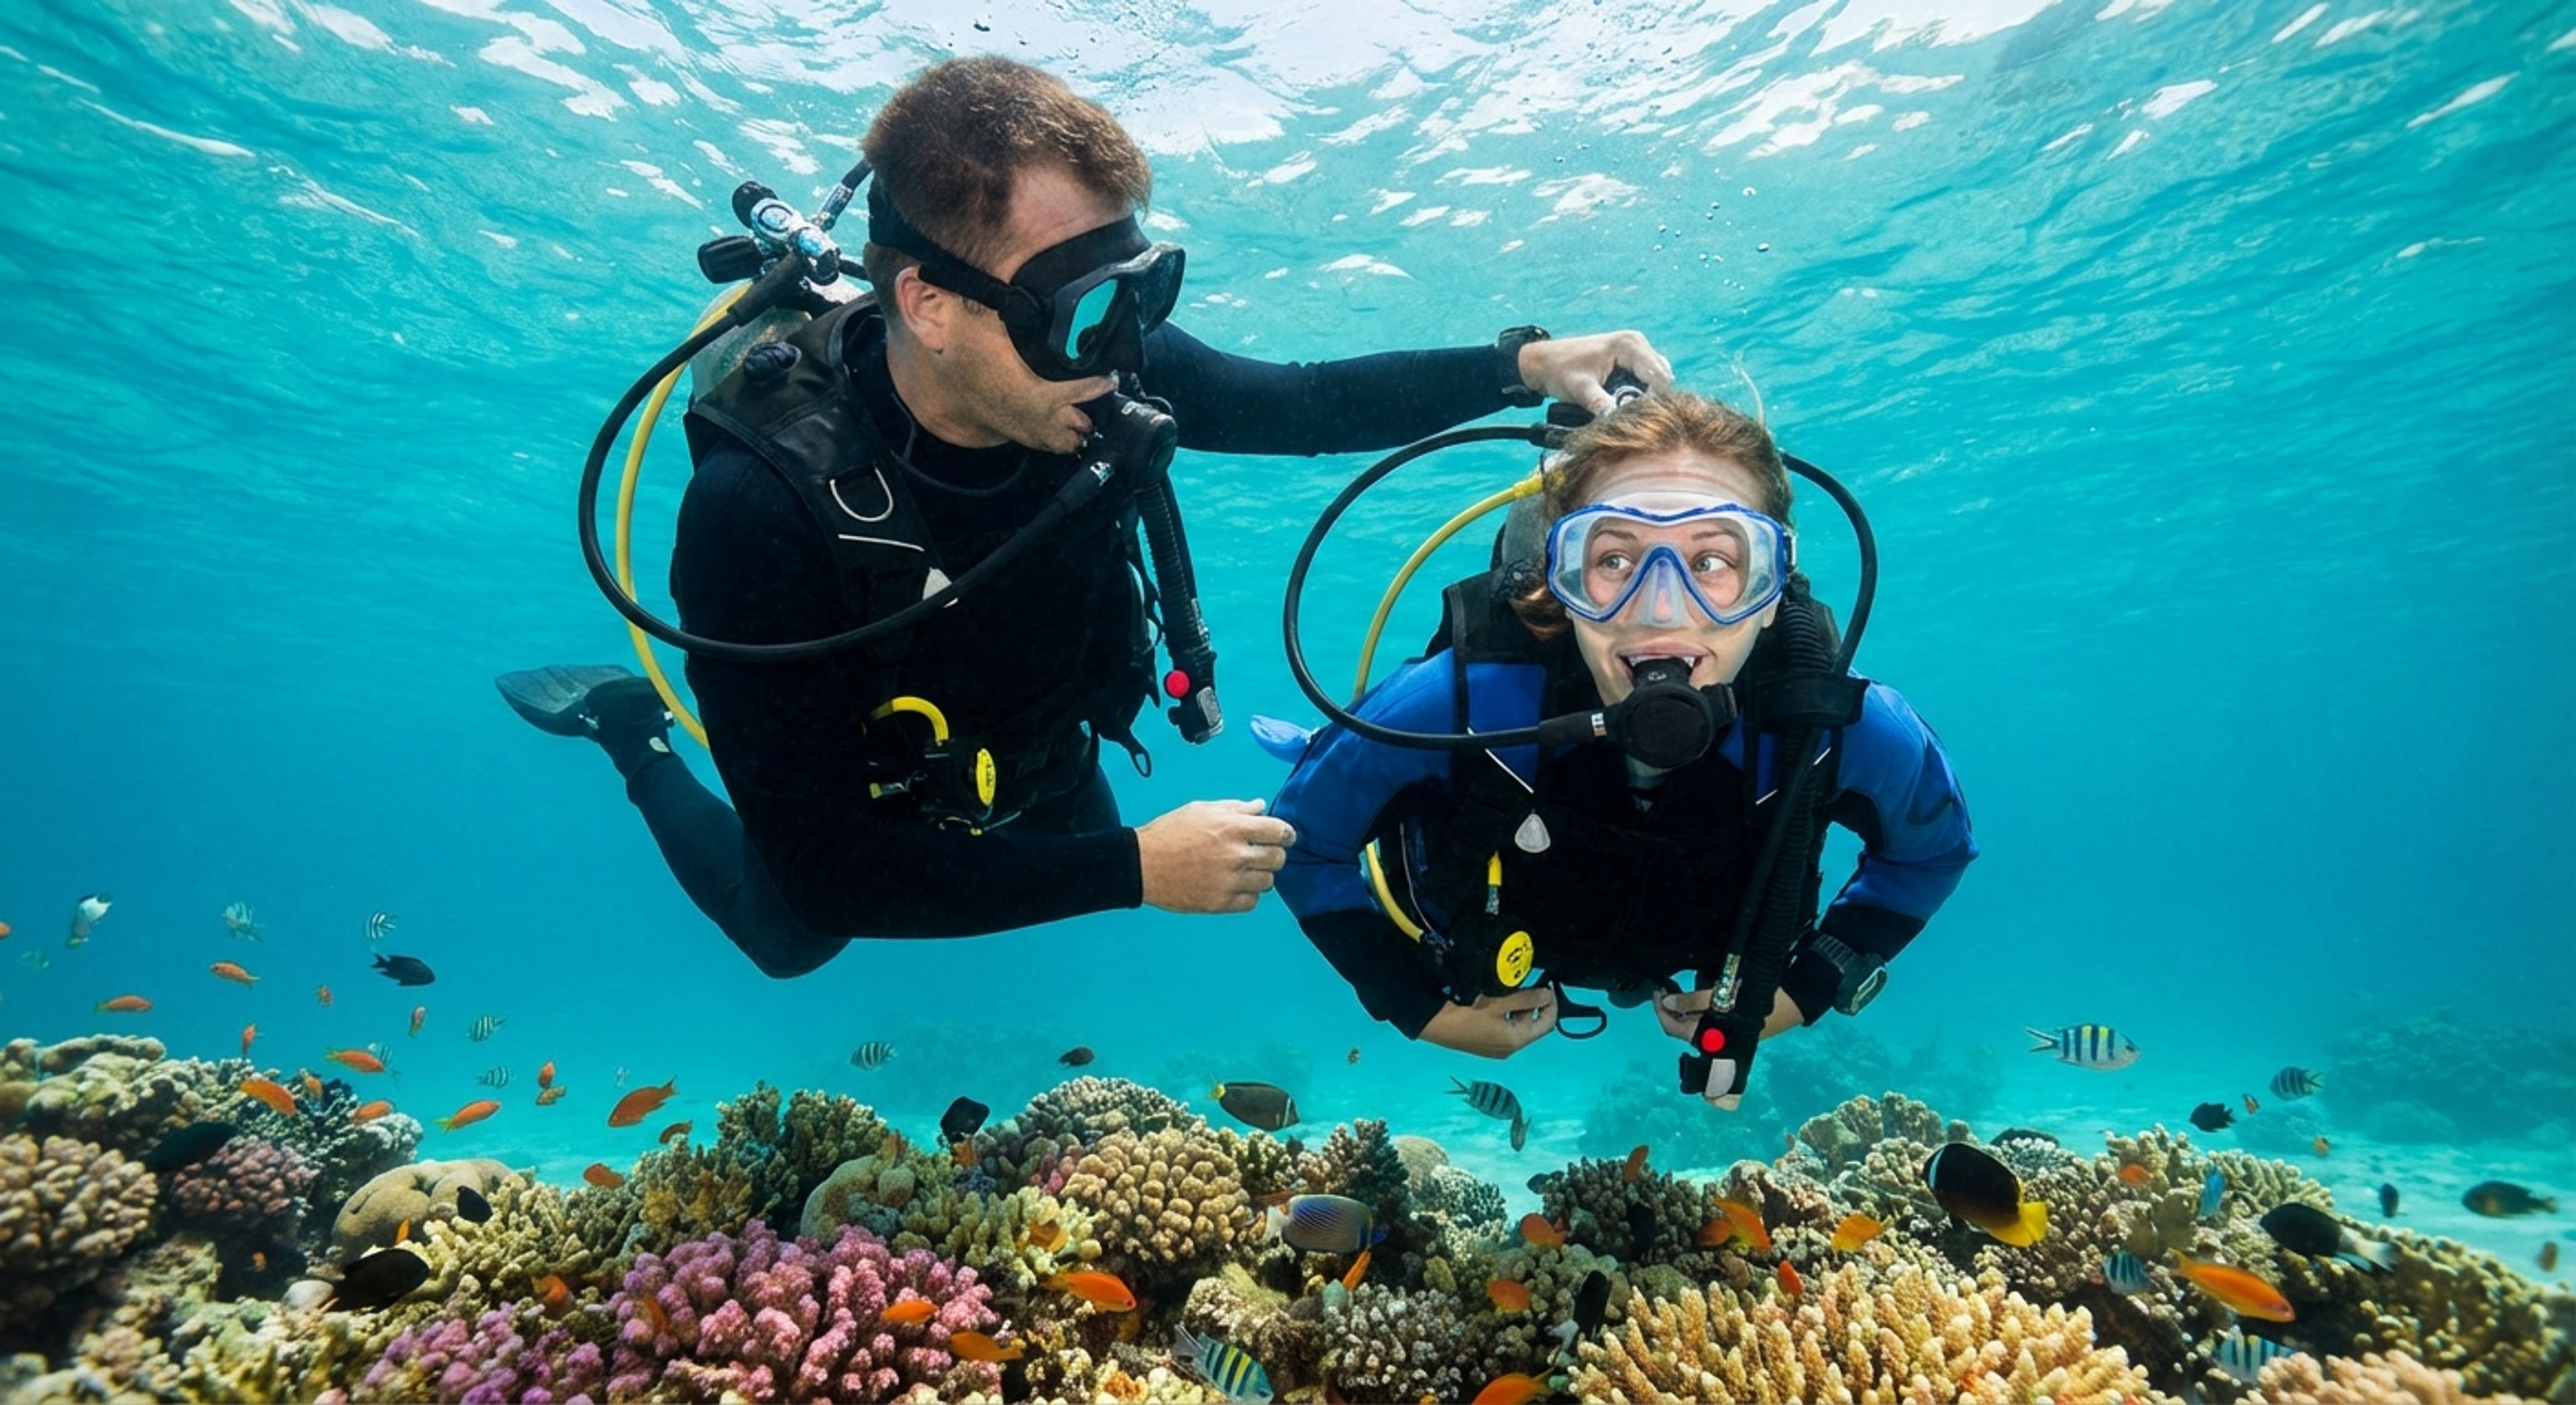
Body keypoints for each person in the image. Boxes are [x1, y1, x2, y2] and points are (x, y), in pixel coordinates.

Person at [497, 56, 1670, 977]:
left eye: (1141, 291)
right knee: (789, 943)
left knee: (1057, 840)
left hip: (1044, 730)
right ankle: (626, 732)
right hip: (889, 781)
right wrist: (1132, 870)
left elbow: (1304, 401)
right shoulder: (759, 512)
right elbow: (826, 874)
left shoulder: (1105, 363)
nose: (1122, 354)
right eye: (1082, 312)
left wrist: (1523, 362)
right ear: (931, 304)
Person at [1269, 391, 1974, 1083]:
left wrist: (1803, 988)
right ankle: (1316, 748)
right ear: (1560, 579)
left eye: (1713, 562)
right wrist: (1414, 1005)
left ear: (1771, 592)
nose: (1660, 608)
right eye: (1613, 560)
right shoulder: (1461, 703)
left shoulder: (1834, 721)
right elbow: (1301, 844)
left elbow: (1931, 854)